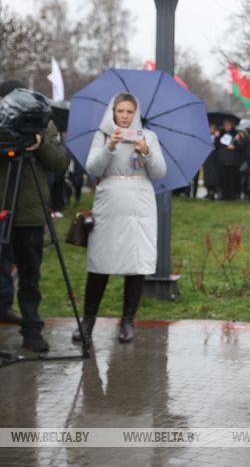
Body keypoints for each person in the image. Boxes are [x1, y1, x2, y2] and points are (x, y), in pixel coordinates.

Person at [73, 93, 166, 344]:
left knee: (136, 261)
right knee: (100, 260)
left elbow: (159, 172)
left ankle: (128, 319)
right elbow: (92, 168)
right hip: (109, 201)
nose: (125, 116)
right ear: (112, 112)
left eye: (129, 112)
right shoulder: (102, 136)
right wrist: (110, 146)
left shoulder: (148, 137)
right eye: (120, 111)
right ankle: (88, 319)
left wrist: (146, 153)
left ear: (136, 113)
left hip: (140, 204)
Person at [0, 82, 69, 350]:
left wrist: (40, 144)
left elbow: (61, 163)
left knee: (30, 272)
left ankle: (31, 329)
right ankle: (4, 308)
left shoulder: (42, 124)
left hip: (29, 211)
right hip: (2, 207)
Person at [215, 118, 243, 200]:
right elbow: (217, 146)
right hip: (222, 160)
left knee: (232, 179)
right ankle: (223, 195)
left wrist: (235, 145)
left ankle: (232, 195)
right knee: (223, 179)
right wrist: (217, 137)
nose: (226, 126)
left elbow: (241, 148)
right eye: (225, 124)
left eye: (228, 124)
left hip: (232, 161)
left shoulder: (236, 134)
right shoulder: (220, 133)